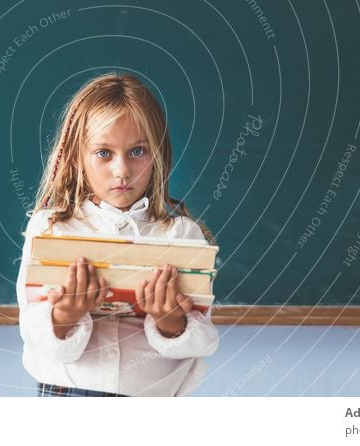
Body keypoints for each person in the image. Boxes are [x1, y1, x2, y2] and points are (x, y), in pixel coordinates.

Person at [16, 72, 219, 397]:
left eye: (137, 151)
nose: (122, 171)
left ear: (157, 153)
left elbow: (203, 339)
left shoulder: (182, 234)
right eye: (104, 153)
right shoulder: (51, 228)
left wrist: (170, 322)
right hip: (69, 394)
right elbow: (33, 329)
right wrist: (66, 313)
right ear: (77, 158)